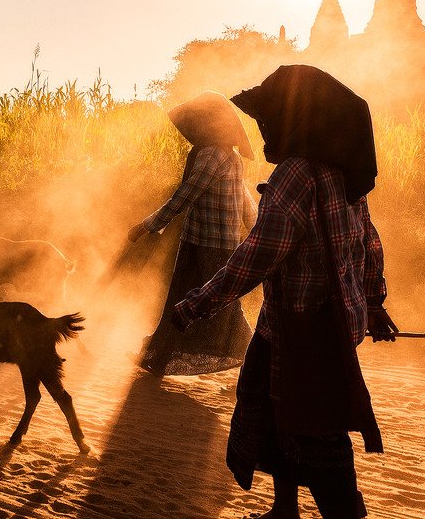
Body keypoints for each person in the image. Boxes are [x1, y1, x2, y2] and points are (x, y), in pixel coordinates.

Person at [170, 65, 399, 518]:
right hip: (312, 324)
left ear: (297, 120)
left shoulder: (296, 174)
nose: (265, 127)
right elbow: (369, 242)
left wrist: (198, 304)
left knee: (315, 430)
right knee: (273, 413)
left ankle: (343, 511)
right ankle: (283, 509)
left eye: (271, 117)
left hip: (301, 328)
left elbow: (259, 254)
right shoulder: (346, 173)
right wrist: (373, 304)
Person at [129, 91, 258, 376]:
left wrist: (148, 224)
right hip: (206, 243)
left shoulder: (212, 155)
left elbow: (185, 196)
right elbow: (245, 201)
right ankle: (159, 356)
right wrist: (257, 228)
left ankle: (255, 363)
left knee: (224, 309)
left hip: (211, 247)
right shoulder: (230, 156)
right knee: (185, 300)